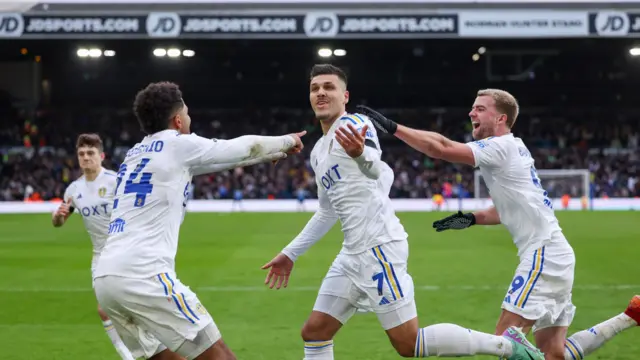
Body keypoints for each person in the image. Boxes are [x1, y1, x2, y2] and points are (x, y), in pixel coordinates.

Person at [261, 65, 544, 360]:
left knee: (408, 345)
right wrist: (290, 253)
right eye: (315, 88)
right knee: (315, 332)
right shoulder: (319, 151)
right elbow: (326, 212)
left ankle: (507, 346)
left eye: (329, 87)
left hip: (379, 249)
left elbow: (373, 166)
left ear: (344, 96)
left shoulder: (356, 124)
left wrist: (361, 156)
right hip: (351, 255)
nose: (320, 92)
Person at [356, 89, 640, 360]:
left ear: (501, 118)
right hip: (556, 253)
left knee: (504, 341)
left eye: (480, 109)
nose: (471, 113)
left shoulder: (500, 146)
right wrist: (470, 218)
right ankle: (629, 317)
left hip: (543, 254)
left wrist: (393, 128)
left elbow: (440, 148)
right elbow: (505, 210)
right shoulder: (514, 148)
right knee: (554, 354)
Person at [93, 81, 305, 360]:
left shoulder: (134, 155)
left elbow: (213, 162)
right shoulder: (178, 144)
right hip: (144, 274)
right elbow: (245, 146)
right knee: (221, 358)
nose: (190, 119)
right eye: (188, 114)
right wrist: (287, 141)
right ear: (178, 120)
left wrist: (271, 155)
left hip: (106, 280)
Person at [52, 133, 137, 360]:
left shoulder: (114, 180)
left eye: (90, 153)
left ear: (101, 156)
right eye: (81, 154)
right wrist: (58, 217)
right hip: (100, 255)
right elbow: (59, 221)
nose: (85, 158)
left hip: (125, 251)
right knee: (103, 310)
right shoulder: (74, 190)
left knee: (134, 307)